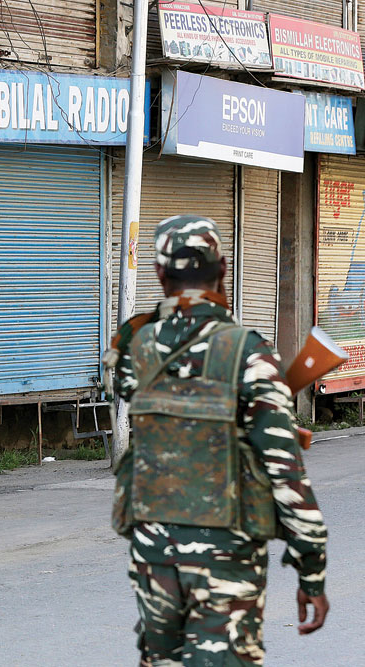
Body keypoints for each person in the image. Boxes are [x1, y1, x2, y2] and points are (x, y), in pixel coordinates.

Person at [106, 215, 328, 665]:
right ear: (223, 268)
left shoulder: (135, 347)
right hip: (226, 556)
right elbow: (286, 473)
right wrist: (312, 570)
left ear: (160, 274)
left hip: (154, 553)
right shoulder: (247, 352)